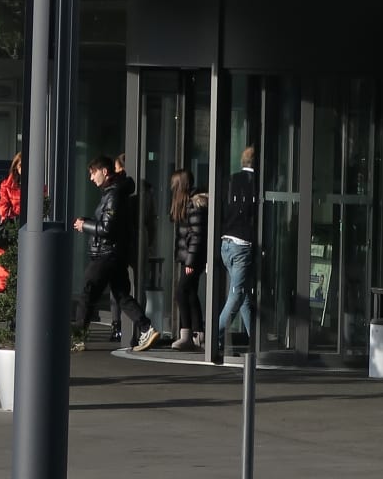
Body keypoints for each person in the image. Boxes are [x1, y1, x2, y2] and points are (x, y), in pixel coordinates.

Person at [73, 156, 160, 353]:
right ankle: (146, 328)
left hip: (106, 254)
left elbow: (107, 228)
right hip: (115, 253)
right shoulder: (114, 192)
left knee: (88, 291)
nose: (91, 178)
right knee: (121, 295)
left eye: (93, 173)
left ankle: (77, 338)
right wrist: (88, 221)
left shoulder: (113, 194)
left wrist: (84, 225)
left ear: (104, 172)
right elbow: (108, 223)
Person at [217, 145, 259, 355]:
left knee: (243, 297)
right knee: (237, 295)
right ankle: (215, 336)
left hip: (226, 243)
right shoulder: (255, 183)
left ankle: (255, 341)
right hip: (242, 245)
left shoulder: (231, 180)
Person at [169, 169, 209, 350]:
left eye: (174, 185)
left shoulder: (194, 205)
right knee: (190, 293)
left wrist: (190, 262)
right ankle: (197, 334)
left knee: (181, 292)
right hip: (191, 257)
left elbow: (197, 235)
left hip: (193, 258)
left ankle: (187, 334)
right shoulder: (188, 204)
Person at [108, 152, 139, 343]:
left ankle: (118, 325)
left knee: (117, 287)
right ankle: (138, 327)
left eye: (116, 168)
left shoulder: (115, 190)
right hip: (135, 241)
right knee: (132, 285)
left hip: (120, 243)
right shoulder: (139, 191)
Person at [0, 152, 23, 293]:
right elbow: (3, 209)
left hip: (29, 231)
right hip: (12, 232)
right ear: (16, 167)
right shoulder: (7, 185)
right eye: (21, 165)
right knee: (5, 276)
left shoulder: (39, 186)